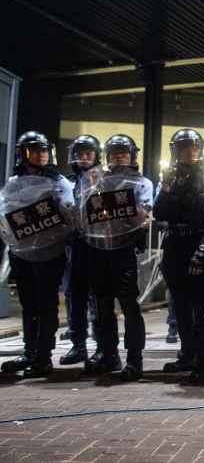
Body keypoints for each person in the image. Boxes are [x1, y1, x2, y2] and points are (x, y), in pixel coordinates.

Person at [0, 132, 74, 378]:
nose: (42, 155)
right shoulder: (14, 182)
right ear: (24, 153)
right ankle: (29, 352)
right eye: (35, 150)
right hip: (22, 251)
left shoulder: (59, 181)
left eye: (45, 150)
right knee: (28, 303)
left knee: (46, 304)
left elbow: (70, 215)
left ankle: (43, 356)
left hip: (49, 252)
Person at [81, 134, 153, 381]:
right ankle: (108, 354)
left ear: (132, 155)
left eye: (124, 151)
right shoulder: (94, 181)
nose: (119, 156)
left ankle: (135, 359)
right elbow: (83, 212)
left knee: (128, 305)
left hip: (123, 251)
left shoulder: (141, 183)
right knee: (102, 306)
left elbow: (141, 214)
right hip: (99, 248)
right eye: (114, 152)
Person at [153, 129, 204, 382]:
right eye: (184, 148)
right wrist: (167, 186)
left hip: (200, 241)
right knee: (180, 303)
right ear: (175, 151)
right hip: (175, 243)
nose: (191, 152)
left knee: (203, 303)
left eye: (194, 148)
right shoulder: (168, 179)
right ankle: (187, 353)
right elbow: (159, 212)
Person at [59, 135, 102, 367]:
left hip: (96, 244)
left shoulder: (104, 182)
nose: (84, 159)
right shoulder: (66, 183)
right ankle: (78, 345)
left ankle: (101, 346)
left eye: (88, 154)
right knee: (75, 296)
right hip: (74, 245)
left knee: (97, 296)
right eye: (80, 154)